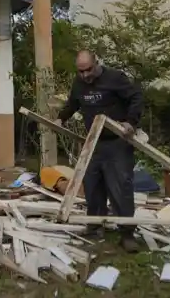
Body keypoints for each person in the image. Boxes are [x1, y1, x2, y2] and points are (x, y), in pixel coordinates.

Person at [55, 50, 144, 252]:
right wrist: (62, 118)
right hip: (93, 142)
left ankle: (127, 233)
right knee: (92, 185)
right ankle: (95, 226)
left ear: (97, 63)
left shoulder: (115, 78)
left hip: (117, 142)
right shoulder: (79, 84)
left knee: (120, 186)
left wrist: (131, 121)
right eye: (81, 71)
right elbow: (73, 103)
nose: (85, 75)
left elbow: (136, 97)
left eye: (88, 70)